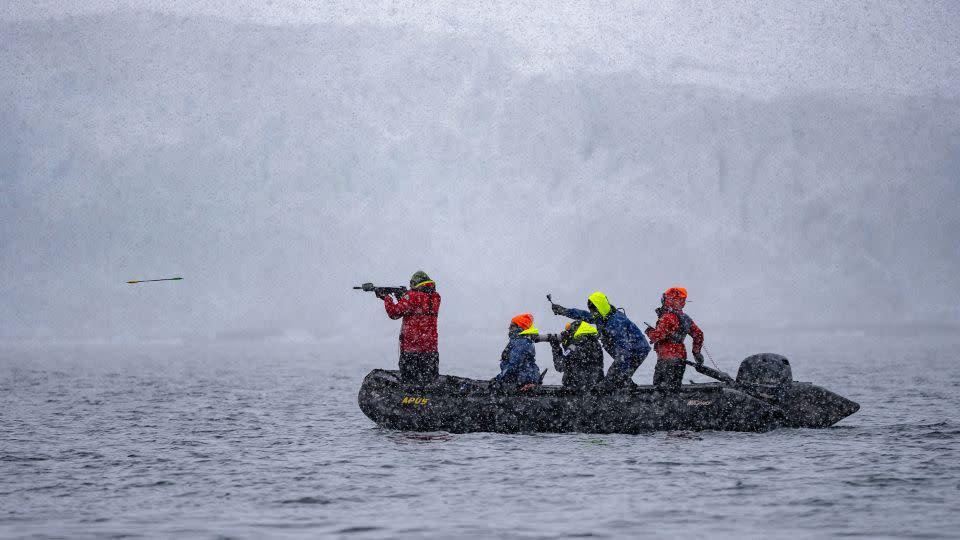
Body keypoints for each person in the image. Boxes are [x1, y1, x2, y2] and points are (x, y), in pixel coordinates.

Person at [551, 292, 651, 388]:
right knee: (618, 377)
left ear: (600, 308)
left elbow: (624, 353)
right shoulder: (601, 316)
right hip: (625, 351)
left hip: (637, 351)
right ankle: (624, 383)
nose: (592, 313)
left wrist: (610, 380)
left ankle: (621, 387)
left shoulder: (616, 323)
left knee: (612, 378)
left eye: (593, 311)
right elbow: (583, 315)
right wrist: (563, 311)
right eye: (591, 311)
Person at [381, 270, 440, 385]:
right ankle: (426, 401)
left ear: (415, 283)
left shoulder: (412, 296)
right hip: (430, 350)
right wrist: (402, 297)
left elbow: (394, 313)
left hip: (411, 350)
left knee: (410, 384)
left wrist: (387, 298)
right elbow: (414, 307)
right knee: (429, 383)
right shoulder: (436, 297)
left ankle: (410, 401)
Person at [644, 287, 704, 390]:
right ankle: (675, 403)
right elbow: (698, 334)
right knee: (674, 388)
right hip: (680, 359)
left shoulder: (667, 317)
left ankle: (664, 404)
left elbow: (657, 336)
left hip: (666, 359)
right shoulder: (686, 318)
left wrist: (649, 331)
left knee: (660, 390)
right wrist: (696, 353)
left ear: (669, 299)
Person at [549, 321, 604, 392]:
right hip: (595, 390)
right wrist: (567, 345)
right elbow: (576, 360)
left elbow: (560, 366)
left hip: (576, 392)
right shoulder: (594, 343)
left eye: (569, 332)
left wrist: (555, 347)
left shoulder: (575, 346)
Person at [492, 313, 542, 391]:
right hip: (522, 379)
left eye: (512, 326)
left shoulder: (521, 342)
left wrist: (498, 379)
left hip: (523, 381)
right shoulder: (518, 341)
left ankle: (528, 386)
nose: (509, 328)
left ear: (520, 328)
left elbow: (513, 365)